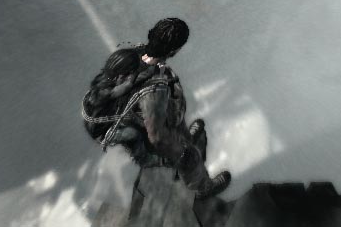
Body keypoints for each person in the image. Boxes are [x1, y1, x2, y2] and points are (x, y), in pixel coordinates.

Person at [82, 17, 232, 198]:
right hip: (130, 138)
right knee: (189, 156)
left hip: (124, 117)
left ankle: (185, 139)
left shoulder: (134, 53)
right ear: (174, 50)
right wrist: (180, 152)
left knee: (176, 121)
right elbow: (157, 137)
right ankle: (203, 187)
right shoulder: (153, 90)